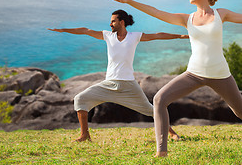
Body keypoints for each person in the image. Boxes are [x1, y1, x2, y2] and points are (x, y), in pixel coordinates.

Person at [107, 0, 242, 157]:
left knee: (241, 111)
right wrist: (127, 1)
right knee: (159, 99)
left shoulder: (220, 14)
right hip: (194, 73)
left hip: (220, 74)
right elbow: (155, 11)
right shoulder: (186, 19)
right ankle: (162, 151)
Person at [48, 9, 188, 142]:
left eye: (113, 21)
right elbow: (86, 31)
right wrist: (63, 30)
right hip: (108, 84)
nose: (110, 24)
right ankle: (85, 135)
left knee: (152, 110)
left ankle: (172, 133)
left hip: (129, 85)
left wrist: (181, 36)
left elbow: (158, 35)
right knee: (80, 99)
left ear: (122, 22)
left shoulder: (134, 37)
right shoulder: (108, 36)